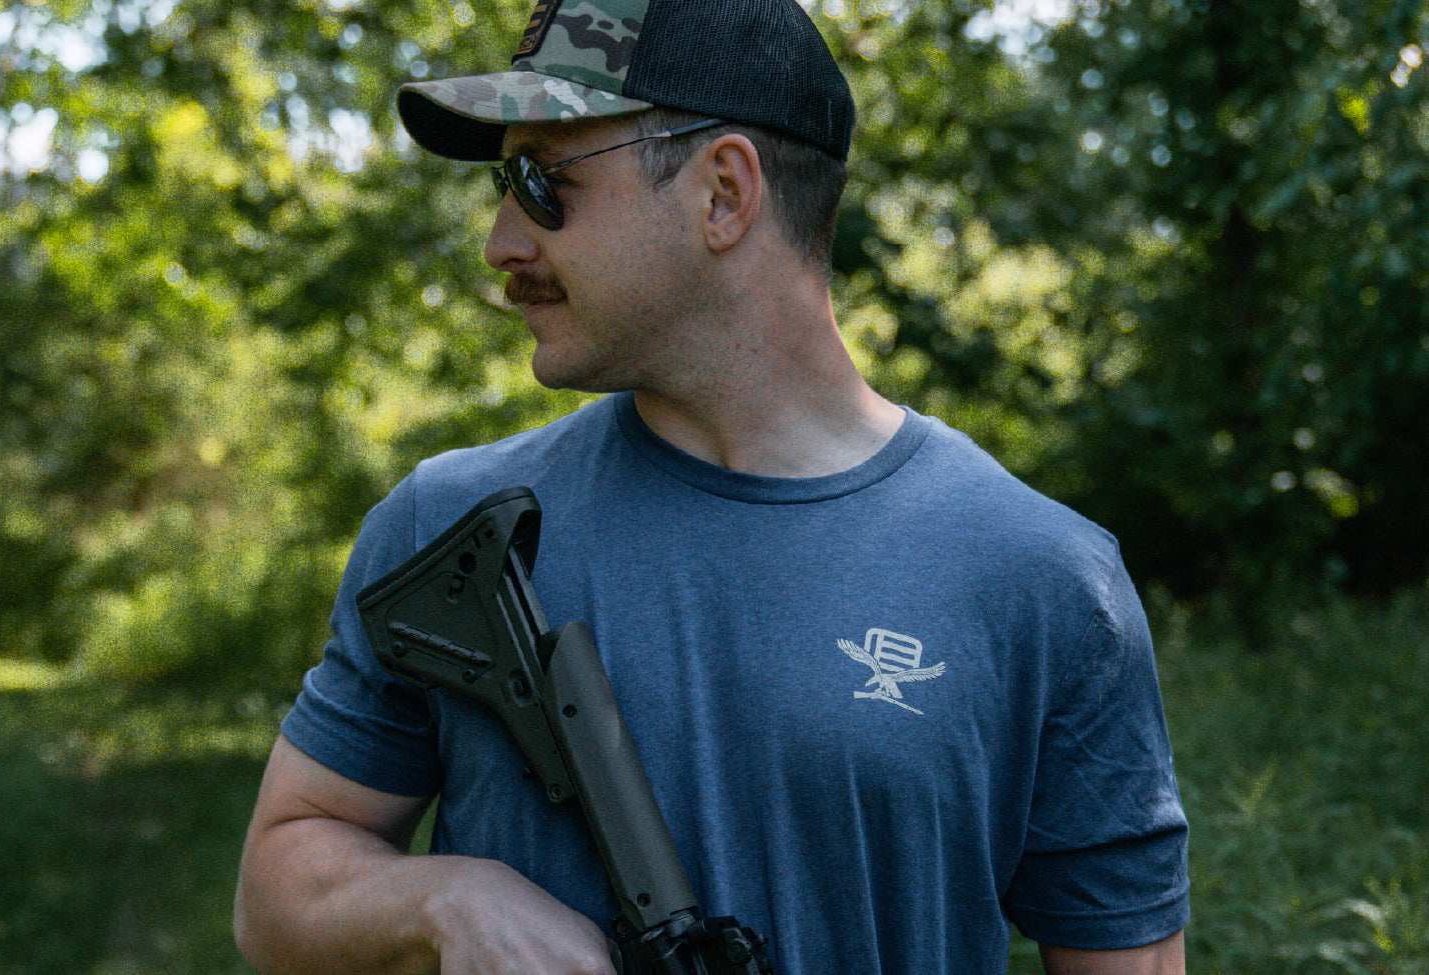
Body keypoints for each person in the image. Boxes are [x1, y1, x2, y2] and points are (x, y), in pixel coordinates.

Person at [232, 1, 1190, 973]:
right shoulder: (453, 531)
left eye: (542, 181)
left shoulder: (1045, 576)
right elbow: (276, 891)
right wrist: (443, 900)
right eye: (501, 181)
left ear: (724, 192)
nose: (501, 242)